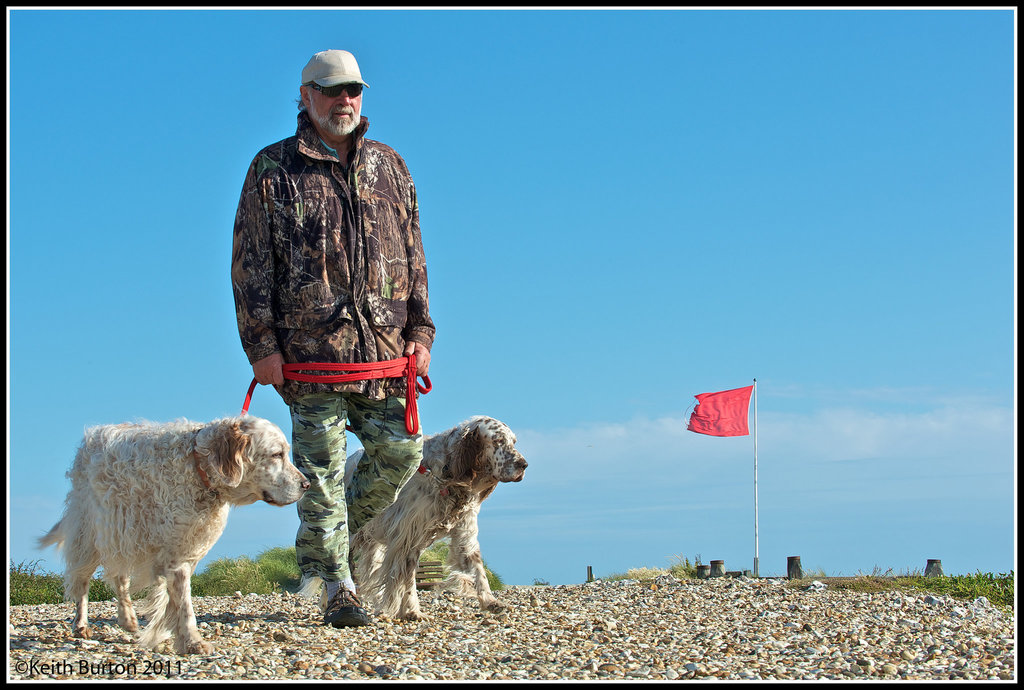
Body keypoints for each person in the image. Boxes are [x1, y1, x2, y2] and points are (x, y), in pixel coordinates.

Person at [231, 49, 435, 628]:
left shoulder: (392, 167)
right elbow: (249, 265)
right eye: (331, 90)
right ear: (305, 96)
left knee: (402, 453)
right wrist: (260, 345)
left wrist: (420, 332)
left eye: (354, 90)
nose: (343, 100)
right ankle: (336, 589)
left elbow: (415, 256)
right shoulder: (271, 169)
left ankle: (326, 547)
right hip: (307, 356)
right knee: (317, 474)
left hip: (384, 355)